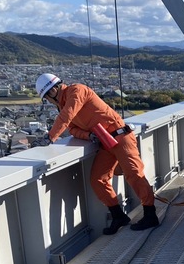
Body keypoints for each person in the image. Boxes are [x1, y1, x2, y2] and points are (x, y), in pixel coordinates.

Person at [32, 73, 159, 235]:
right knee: (98, 179)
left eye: (47, 98)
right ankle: (118, 216)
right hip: (105, 142)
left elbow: (68, 115)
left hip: (121, 136)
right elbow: (73, 129)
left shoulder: (77, 91)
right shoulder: (64, 104)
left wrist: (50, 137)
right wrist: (89, 136)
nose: (49, 102)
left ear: (52, 92)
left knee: (134, 173)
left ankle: (150, 214)